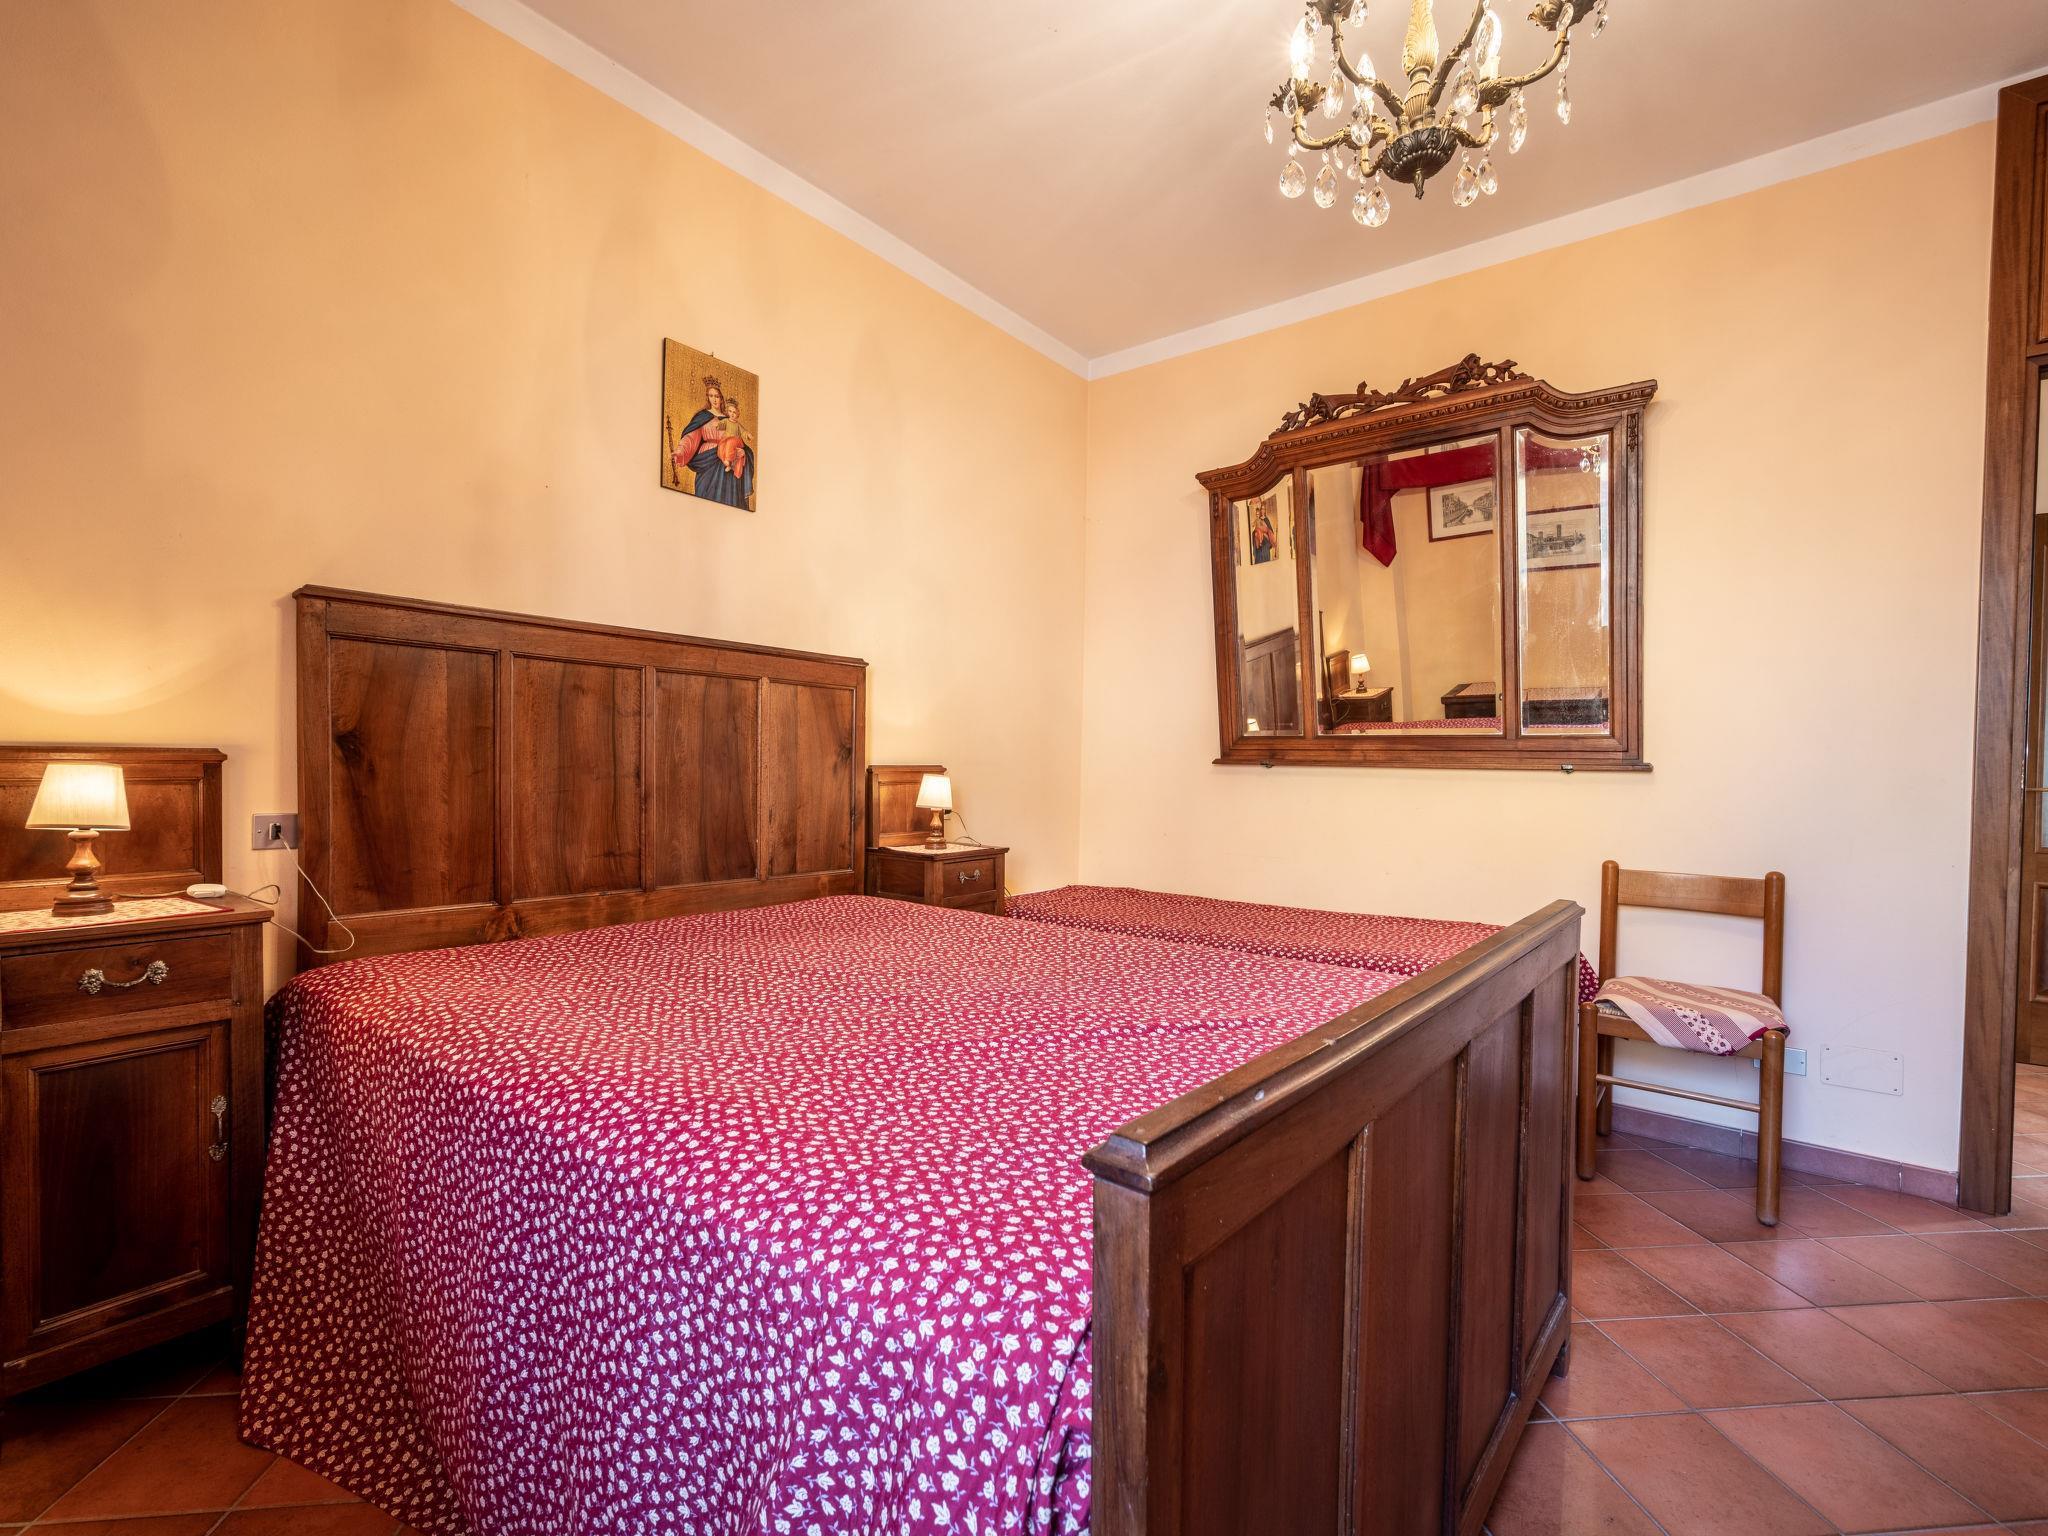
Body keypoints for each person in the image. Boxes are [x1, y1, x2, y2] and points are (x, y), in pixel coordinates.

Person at [672, 376, 754, 507]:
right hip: (708, 462)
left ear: (721, 398)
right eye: (711, 396)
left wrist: (742, 452)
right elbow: (690, 438)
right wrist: (680, 451)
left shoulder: (730, 419)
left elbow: (739, 440)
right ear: (707, 397)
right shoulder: (702, 417)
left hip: (729, 458)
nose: (714, 399)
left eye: (717, 396)